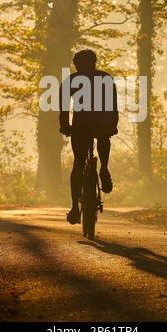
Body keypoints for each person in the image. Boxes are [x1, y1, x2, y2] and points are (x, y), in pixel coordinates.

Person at [59, 49, 119, 224]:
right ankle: (104, 169)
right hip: (98, 125)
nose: (78, 66)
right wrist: (112, 126)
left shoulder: (71, 80)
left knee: (78, 164)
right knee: (102, 139)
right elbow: (113, 106)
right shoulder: (105, 78)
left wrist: (65, 126)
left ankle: (74, 207)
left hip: (81, 126)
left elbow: (63, 107)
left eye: (78, 63)